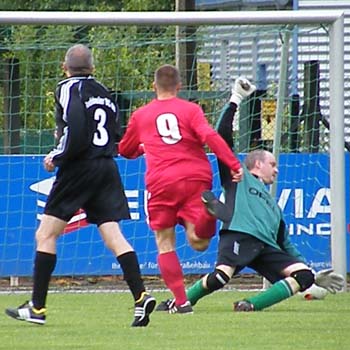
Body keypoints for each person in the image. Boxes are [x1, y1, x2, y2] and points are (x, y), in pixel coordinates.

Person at [157, 77, 344, 312]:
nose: (276, 169)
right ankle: (179, 302)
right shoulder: (239, 176)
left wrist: (313, 274)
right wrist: (236, 98)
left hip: (264, 247)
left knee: (303, 276)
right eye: (272, 164)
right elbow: (222, 134)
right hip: (239, 235)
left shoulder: (274, 208)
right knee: (221, 277)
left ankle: (250, 305)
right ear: (256, 165)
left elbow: (285, 244)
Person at [5, 44, 155, 327]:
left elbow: (75, 128)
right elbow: (115, 133)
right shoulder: (105, 93)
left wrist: (57, 156)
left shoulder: (68, 87)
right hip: (106, 167)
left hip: (80, 167)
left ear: (65, 67)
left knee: (45, 234)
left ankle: (37, 308)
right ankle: (141, 296)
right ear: (93, 68)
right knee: (114, 236)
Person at [118, 64, 243, 314]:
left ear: (153, 87)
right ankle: (208, 214)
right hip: (195, 177)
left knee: (164, 242)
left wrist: (146, 147)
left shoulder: (141, 115)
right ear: (179, 87)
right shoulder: (191, 109)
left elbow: (125, 150)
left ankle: (182, 302)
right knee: (199, 242)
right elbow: (210, 136)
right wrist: (233, 164)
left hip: (162, 181)